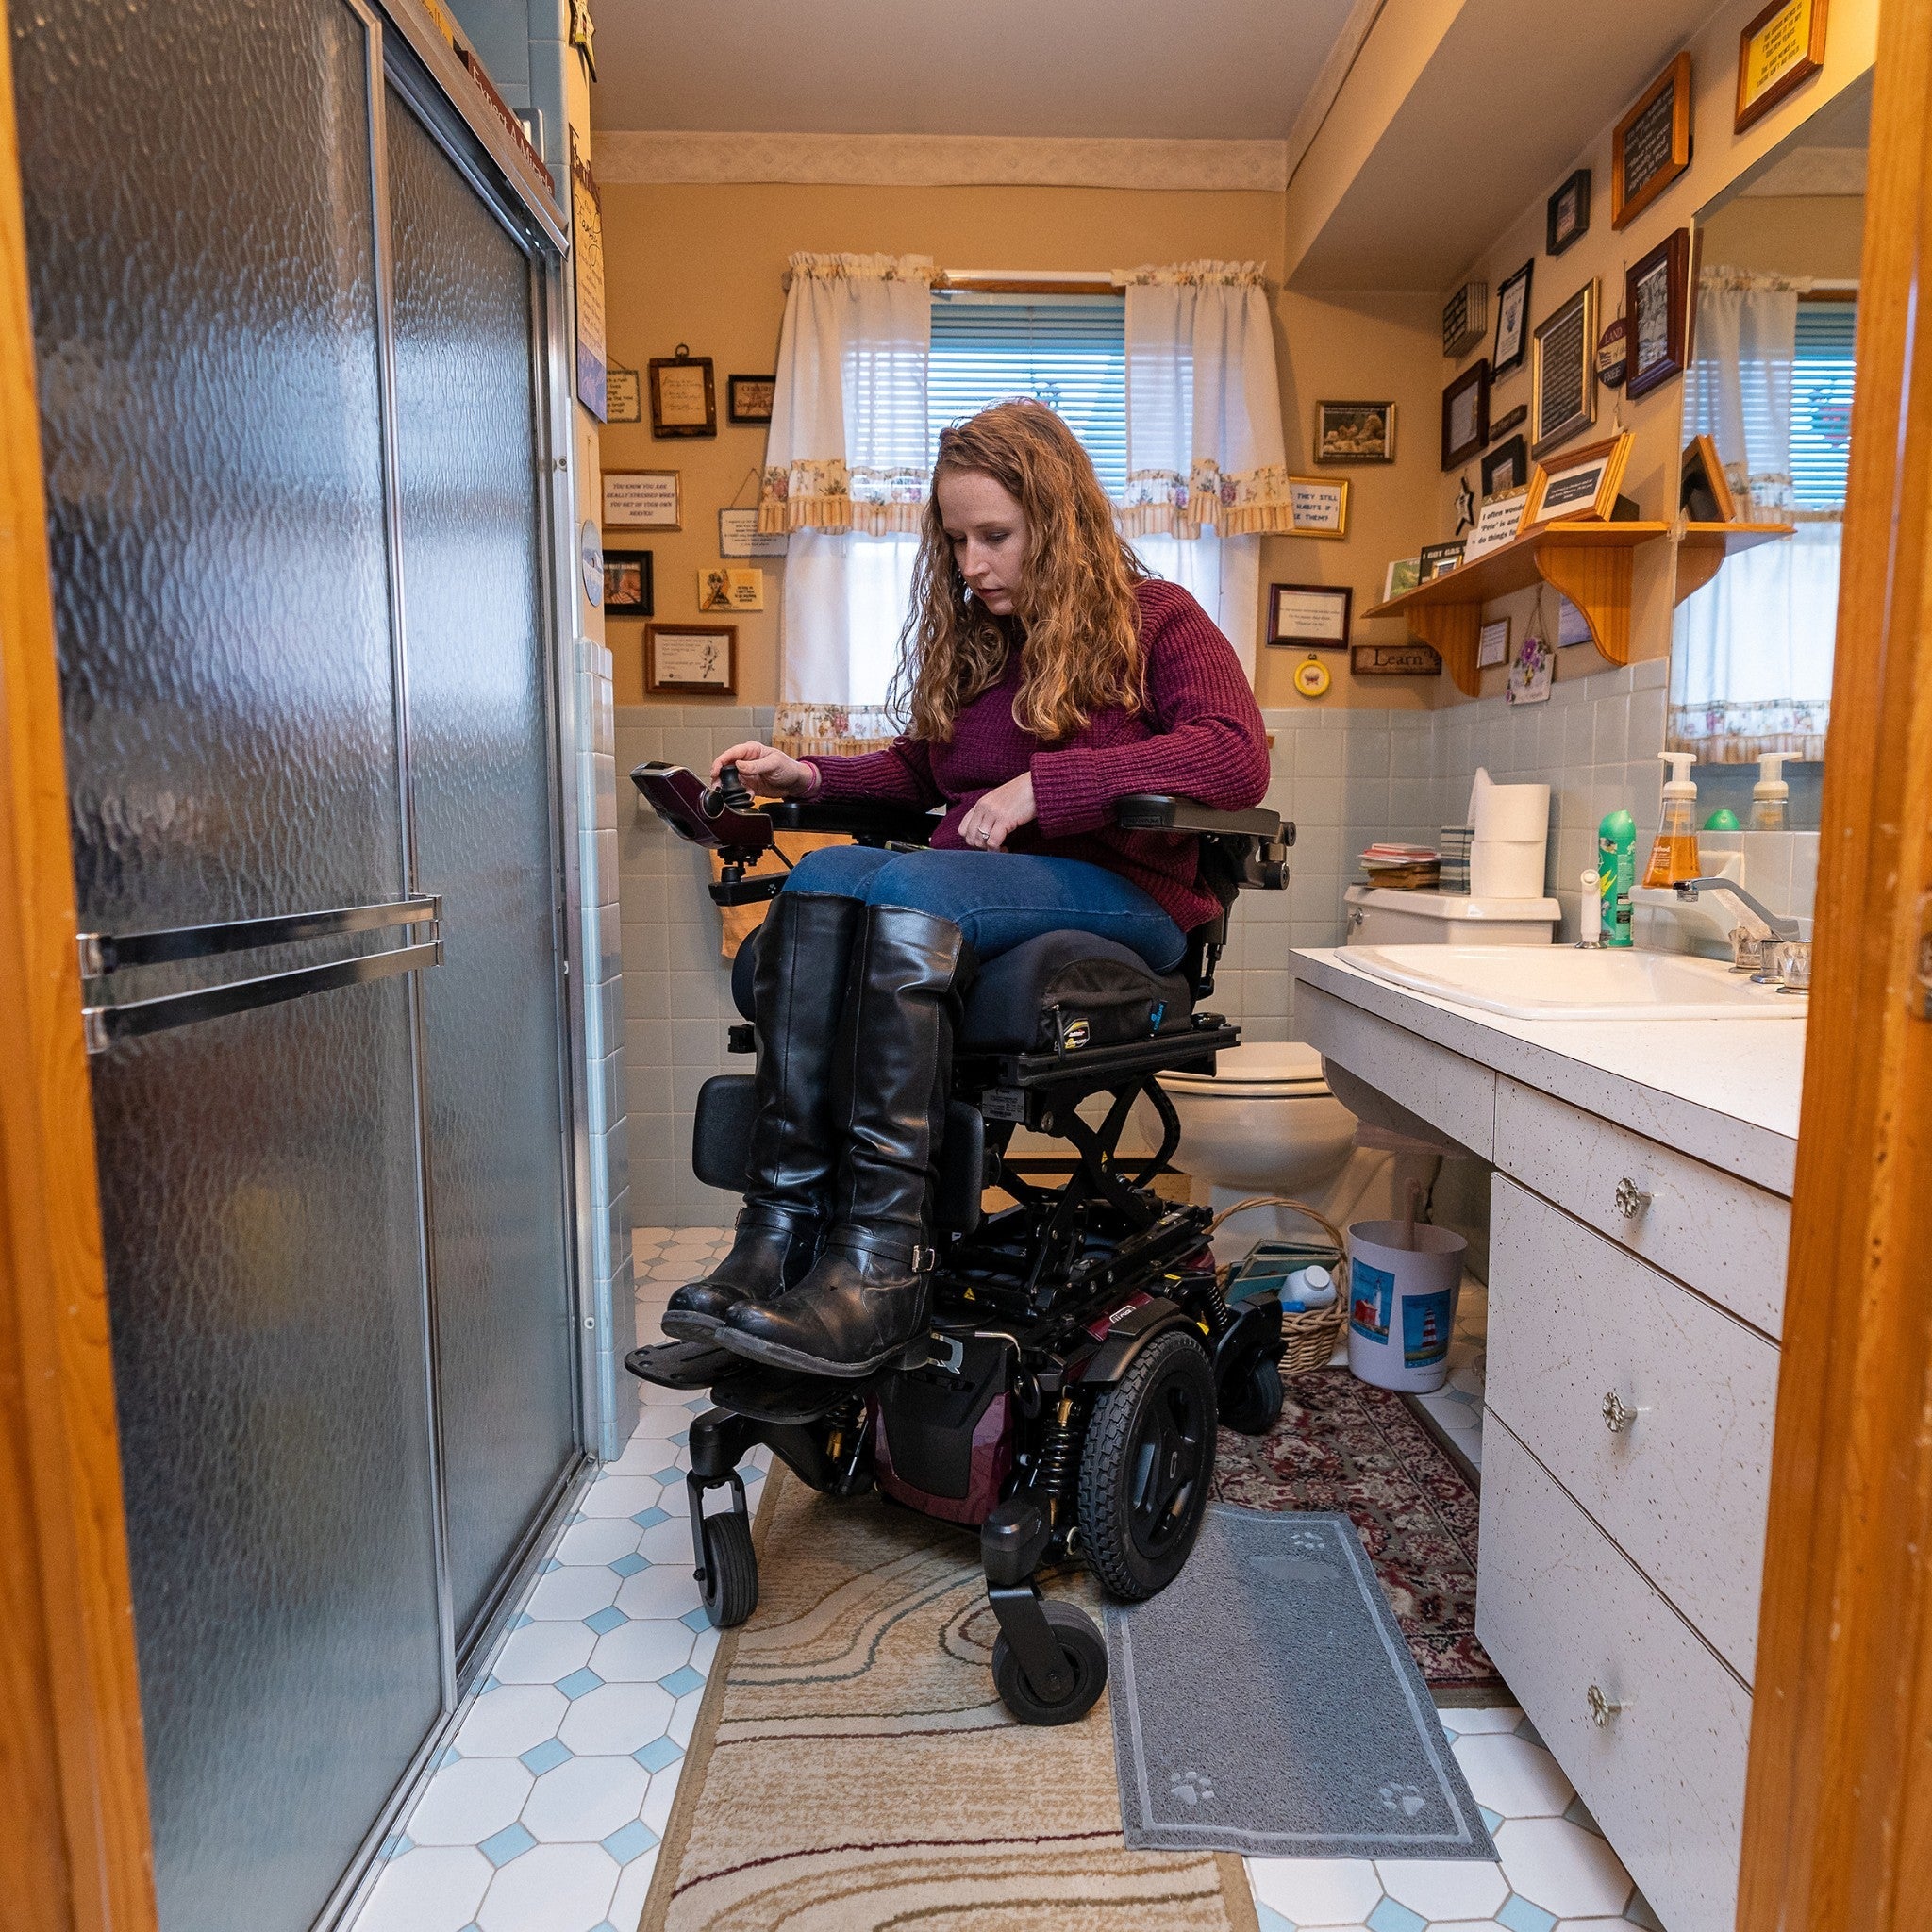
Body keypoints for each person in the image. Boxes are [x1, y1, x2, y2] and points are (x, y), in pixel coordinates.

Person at [667, 399, 1269, 1377]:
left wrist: (1045, 787)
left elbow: (1234, 757)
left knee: (911, 885)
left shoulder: (1159, 619)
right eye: (955, 541)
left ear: (1059, 523)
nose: (971, 564)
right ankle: (779, 1234)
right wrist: (808, 776)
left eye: (994, 536)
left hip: (1129, 895)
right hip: (991, 886)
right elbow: (925, 770)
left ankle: (882, 1265)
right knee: (824, 874)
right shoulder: (986, 641)